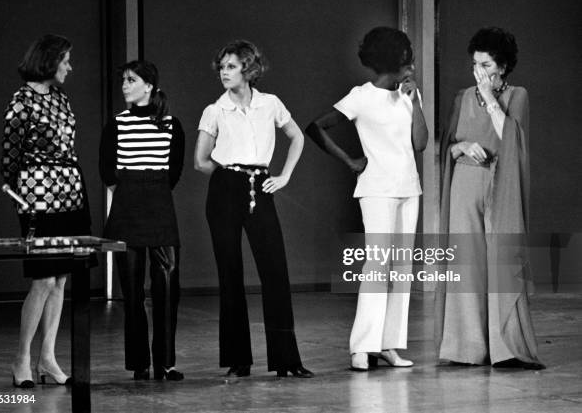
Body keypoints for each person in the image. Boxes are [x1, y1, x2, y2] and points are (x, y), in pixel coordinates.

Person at [306, 26, 427, 371]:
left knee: (401, 269)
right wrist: (350, 161)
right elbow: (315, 126)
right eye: (408, 60)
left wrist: (415, 99)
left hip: (409, 188)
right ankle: (362, 346)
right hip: (376, 190)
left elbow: (420, 143)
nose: (412, 65)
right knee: (377, 266)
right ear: (395, 61)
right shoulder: (360, 96)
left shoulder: (409, 94)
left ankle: (388, 344)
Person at [194, 40, 313, 378]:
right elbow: (200, 161)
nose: (224, 72)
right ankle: (238, 361)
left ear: (248, 69)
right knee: (229, 274)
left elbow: (297, 136)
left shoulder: (270, 104)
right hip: (226, 188)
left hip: (261, 186)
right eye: (221, 67)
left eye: (231, 66)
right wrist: (229, 177)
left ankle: (287, 361)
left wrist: (285, 175)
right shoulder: (214, 110)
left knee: (275, 271)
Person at [435, 27, 544, 369]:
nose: (478, 71)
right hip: (465, 181)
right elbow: (446, 148)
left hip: (501, 182)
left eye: (485, 64)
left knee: (503, 262)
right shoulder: (462, 97)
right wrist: (462, 146)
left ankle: (506, 348)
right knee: (466, 263)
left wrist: (491, 98)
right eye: (475, 64)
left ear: (503, 66)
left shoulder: (518, 96)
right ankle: (466, 348)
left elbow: (511, 138)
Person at [1, 34, 92, 387]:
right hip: (38, 196)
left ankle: (48, 359)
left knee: (61, 279)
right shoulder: (21, 102)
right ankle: (21, 358)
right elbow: (9, 158)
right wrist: (25, 196)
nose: (69, 67)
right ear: (49, 61)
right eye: (65, 60)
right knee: (42, 278)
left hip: (69, 193)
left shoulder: (61, 99)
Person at [99, 60, 185, 381]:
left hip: (160, 207)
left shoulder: (171, 124)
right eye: (123, 80)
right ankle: (139, 363)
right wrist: (129, 193)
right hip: (127, 208)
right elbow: (106, 169)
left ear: (148, 86)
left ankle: (166, 361)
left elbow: (174, 169)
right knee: (132, 292)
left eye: (131, 80)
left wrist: (153, 191)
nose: (124, 85)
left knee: (167, 288)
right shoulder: (116, 124)